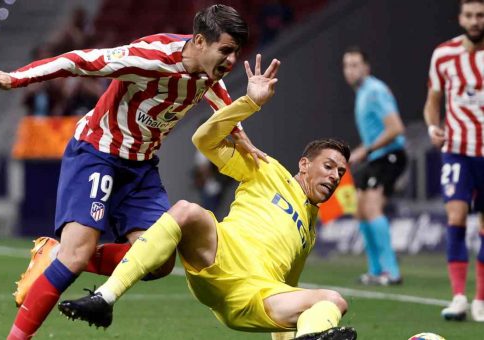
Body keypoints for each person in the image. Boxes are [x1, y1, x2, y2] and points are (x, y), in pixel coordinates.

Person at [0, 4, 268, 339]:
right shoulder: (149, 57)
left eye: (235, 53)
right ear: (199, 42)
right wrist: (16, 77)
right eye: (225, 51)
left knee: (159, 260)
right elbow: (81, 61)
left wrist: (242, 137)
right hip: (98, 154)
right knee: (77, 255)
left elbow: (221, 101)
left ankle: (54, 254)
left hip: (141, 168)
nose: (230, 61)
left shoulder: (207, 74)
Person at [58, 55, 357, 340]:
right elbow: (203, 139)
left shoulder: (310, 230)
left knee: (333, 301)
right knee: (187, 211)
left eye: (340, 173)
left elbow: (289, 288)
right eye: (328, 166)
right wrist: (249, 103)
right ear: (304, 164)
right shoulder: (266, 168)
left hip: (255, 298)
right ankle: (105, 299)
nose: (334, 176)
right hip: (219, 256)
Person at [423, 0, 484, 322]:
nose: (475, 21)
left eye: (480, 15)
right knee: (456, 217)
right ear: (461, 18)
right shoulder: (444, 54)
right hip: (457, 149)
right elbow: (433, 102)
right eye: (470, 15)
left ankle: (481, 300)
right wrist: (434, 126)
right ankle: (459, 296)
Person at [342, 46, 406, 286]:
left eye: (355, 65)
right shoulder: (363, 93)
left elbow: (396, 128)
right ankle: (375, 270)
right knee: (359, 208)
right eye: (347, 65)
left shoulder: (375, 91)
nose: (350, 70)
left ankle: (392, 272)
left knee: (371, 207)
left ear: (366, 68)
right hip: (376, 157)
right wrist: (359, 152)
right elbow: (374, 136)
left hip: (390, 155)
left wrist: (366, 151)